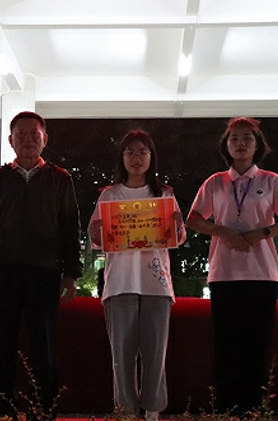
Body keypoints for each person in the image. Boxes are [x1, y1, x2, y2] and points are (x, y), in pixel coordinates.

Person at [186, 117, 278, 414]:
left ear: (257, 144)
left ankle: (254, 411)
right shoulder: (215, 182)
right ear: (226, 145)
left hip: (261, 274)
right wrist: (223, 231)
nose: (240, 143)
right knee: (226, 346)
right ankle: (226, 411)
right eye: (234, 138)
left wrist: (262, 232)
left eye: (247, 138)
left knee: (257, 346)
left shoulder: (271, 181)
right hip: (223, 274)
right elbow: (193, 218)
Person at [0, 111, 83, 419]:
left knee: (44, 347)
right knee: (2, 348)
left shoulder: (60, 179)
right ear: (10, 140)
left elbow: (70, 227)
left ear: (45, 139)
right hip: (2, 273)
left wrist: (71, 273)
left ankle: (44, 412)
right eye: (20, 134)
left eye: (34, 133)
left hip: (45, 273)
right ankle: (2, 413)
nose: (28, 139)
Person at [88, 130, 186, 421]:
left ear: (151, 157)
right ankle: (126, 411)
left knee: (155, 353)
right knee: (122, 355)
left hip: (156, 284)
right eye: (130, 151)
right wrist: (95, 234)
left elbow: (177, 237)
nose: (136, 158)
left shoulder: (164, 194)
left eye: (143, 151)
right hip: (119, 284)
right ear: (121, 157)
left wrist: (179, 227)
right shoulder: (110, 195)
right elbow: (97, 240)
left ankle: (153, 409)